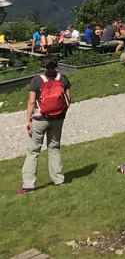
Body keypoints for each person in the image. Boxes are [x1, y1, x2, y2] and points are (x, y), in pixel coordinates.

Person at [19, 58, 70, 194]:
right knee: (54, 148)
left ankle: (28, 185)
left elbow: (31, 102)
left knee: (33, 151)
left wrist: (29, 120)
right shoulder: (63, 79)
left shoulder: (37, 80)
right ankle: (59, 179)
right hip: (58, 118)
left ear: (43, 66)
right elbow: (69, 99)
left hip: (40, 119)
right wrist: (61, 113)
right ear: (56, 65)